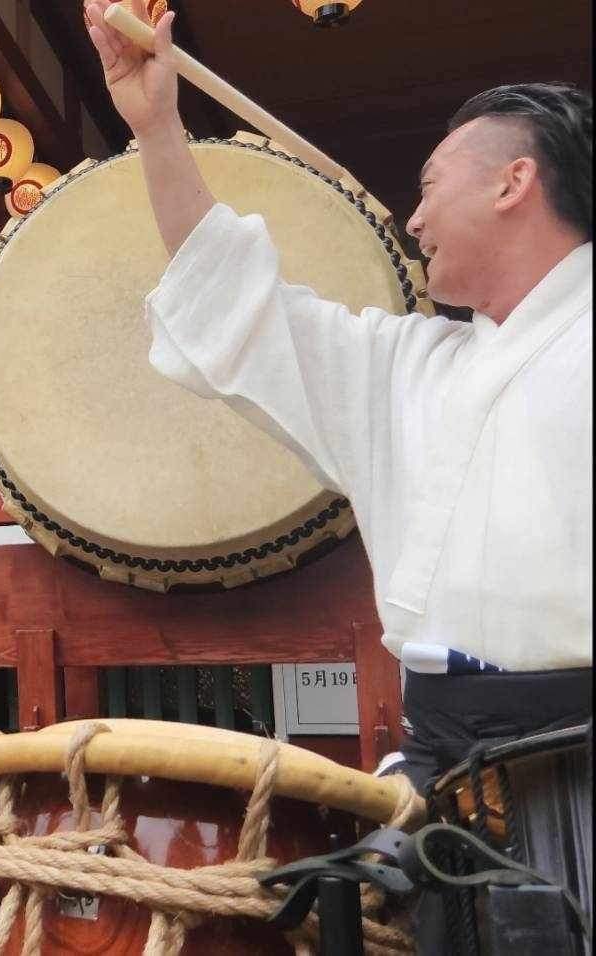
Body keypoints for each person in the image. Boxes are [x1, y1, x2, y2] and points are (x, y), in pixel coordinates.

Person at [83, 1, 591, 789]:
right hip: (447, 758)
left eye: (430, 186)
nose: (415, 218)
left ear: (512, 182)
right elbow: (242, 309)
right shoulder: (417, 369)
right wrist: (157, 131)